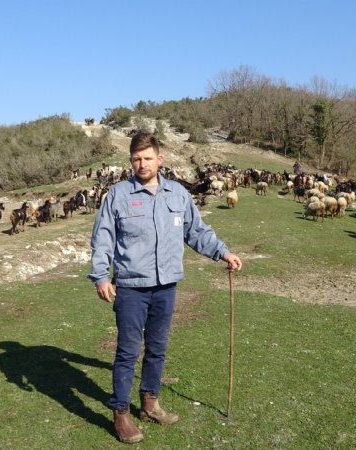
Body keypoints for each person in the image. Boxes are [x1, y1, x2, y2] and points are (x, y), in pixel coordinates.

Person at [88, 130, 242, 444]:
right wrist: (101, 276)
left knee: (157, 350)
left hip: (166, 286)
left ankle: (150, 404)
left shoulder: (178, 195)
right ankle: (121, 414)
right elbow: (102, 239)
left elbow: (197, 231)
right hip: (131, 288)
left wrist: (223, 251)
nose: (142, 164)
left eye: (147, 158)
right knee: (127, 353)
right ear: (130, 161)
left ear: (160, 159)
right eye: (136, 159)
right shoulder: (118, 195)